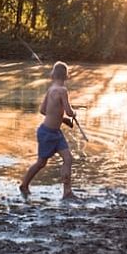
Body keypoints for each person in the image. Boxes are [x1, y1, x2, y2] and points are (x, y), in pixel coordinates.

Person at [20, 61, 78, 200]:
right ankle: (24, 185)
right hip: (47, 133)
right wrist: (73, 114)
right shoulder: (62, 91)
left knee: (68, 158)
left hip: (55, 133)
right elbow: (69, 112)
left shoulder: (51, 89)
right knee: (41, 163)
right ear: (66, 76)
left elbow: (43, 110)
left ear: (54, 74)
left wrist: (61, 119)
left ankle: (67, 192)